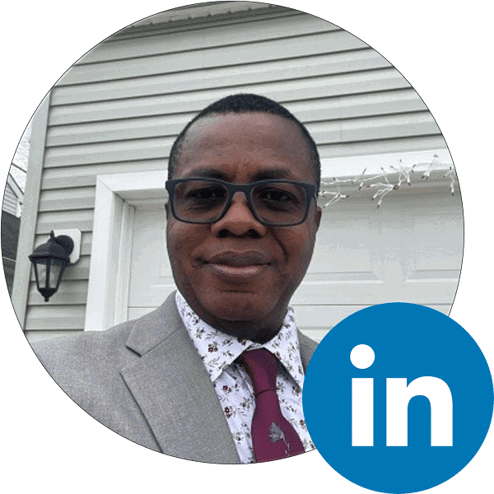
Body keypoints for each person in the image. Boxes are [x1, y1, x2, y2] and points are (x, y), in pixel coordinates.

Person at [32, 93, 322, 464]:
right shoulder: (47, 381)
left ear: (314, 224)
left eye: (276, 196)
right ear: (170, 217)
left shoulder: (371, 388)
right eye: (205, 194)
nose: (238, 221)